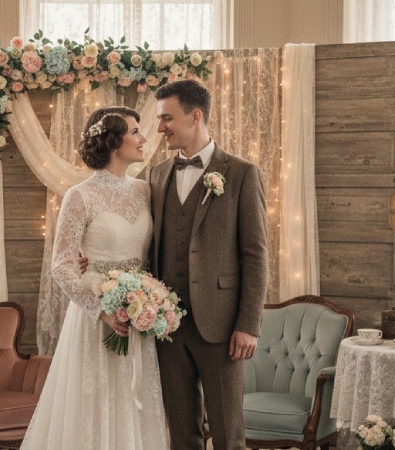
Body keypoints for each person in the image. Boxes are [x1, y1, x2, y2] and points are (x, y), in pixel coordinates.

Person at [20, 107, 168, 450]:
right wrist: (100, 310)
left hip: (137, 316)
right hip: (96, 319)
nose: (144, 137)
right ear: (114, 142)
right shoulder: (80, 196)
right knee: (94, 402)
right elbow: (61, 264)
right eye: (135, 131)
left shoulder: (146, 191)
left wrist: (149, 302)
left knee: (134, 404)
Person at [150, 79, 269, 450]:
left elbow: (256, 254)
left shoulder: (241, 174)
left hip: (221, 327)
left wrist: (248, 325)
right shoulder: (156, 175)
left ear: (195, 116)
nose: (159, 128)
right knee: (181, 432)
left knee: (228, 432)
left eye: (167, 118)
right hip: (167, 327)